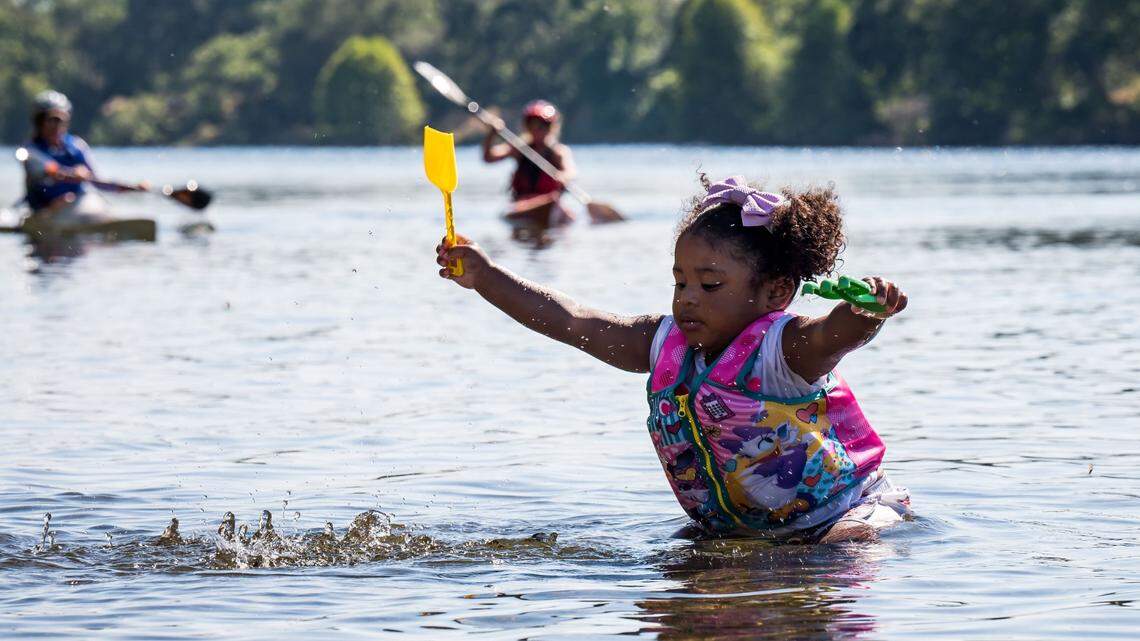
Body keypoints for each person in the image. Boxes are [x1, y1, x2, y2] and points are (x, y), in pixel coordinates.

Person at [435, 175, 911, 543]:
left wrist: (865, 311)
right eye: (679, 281)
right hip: (742, 529)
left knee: (842, 544)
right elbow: (573, 321)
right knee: (689, 558)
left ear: (776, 292)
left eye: (709, 285)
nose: (687, 299)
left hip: (844, 513)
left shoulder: (783, 351)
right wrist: (486, 277)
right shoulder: (661, 343)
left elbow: (835, 335)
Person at [20, 90, 145, 226]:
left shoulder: (77, 146)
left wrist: (132, 187)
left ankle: (100, 223)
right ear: (40, 123)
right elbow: (49, 170)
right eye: (51, 120)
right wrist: (71, 173)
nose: (56, 126)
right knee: (67, 199)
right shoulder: (28, 151)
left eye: (61, 120)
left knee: (91, 199)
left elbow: (98, 181)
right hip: (47, 209)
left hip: (78, 205)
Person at [482, 99, 577, 226]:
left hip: (550, 202)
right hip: (521, 203)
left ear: (550, 128)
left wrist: (564, 176)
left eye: (541, 127)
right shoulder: (520, 149)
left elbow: (570, 171)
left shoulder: (558, 152)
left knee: (570, 218)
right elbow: (489, 158)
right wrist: (491, 135)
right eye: (532, 126)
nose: (537, 130)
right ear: (527, 127)